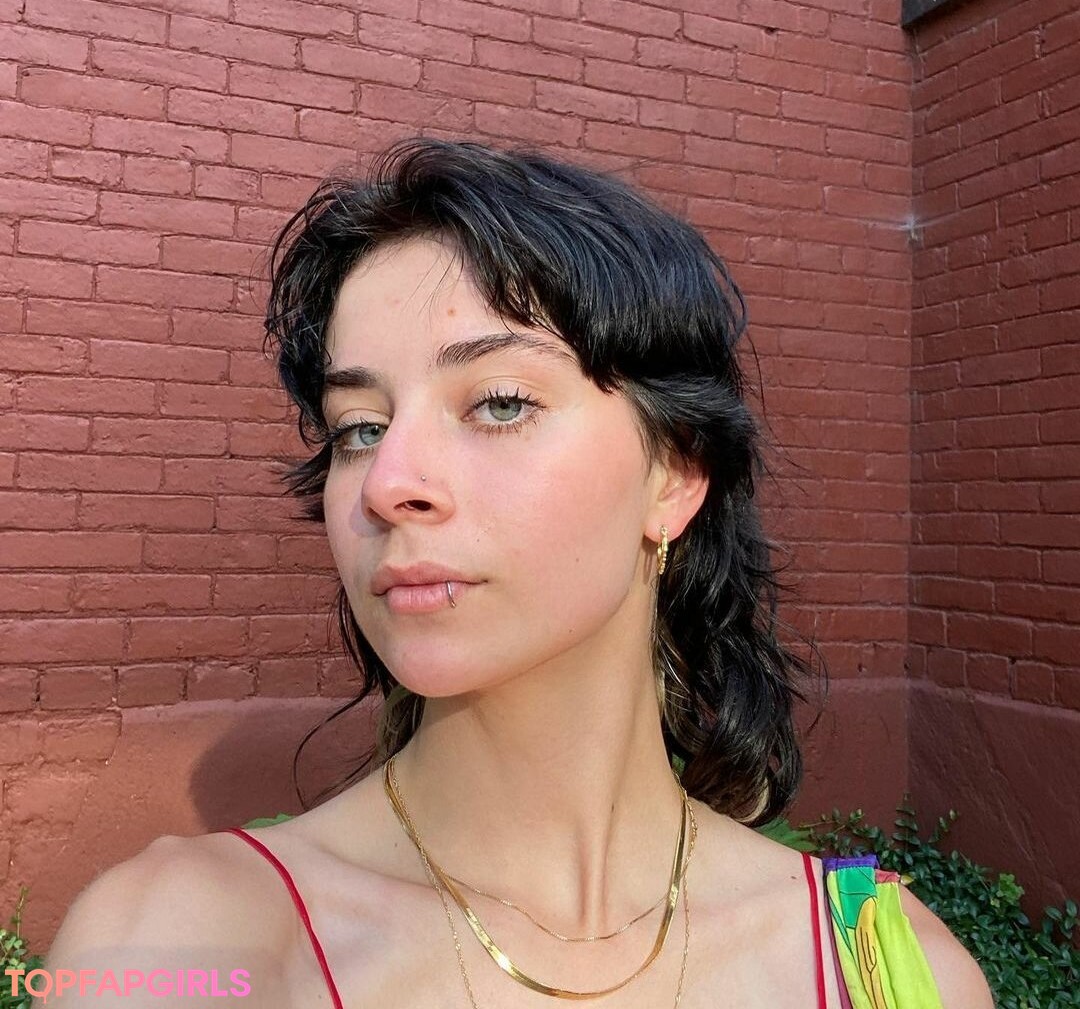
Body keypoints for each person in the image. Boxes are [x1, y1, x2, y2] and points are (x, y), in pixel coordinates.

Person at [44, 137, 993, 1009]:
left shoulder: (884, 967)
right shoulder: (176, 950)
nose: (389, 483)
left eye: (499, 403)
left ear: (675, 474)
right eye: (358, 428)